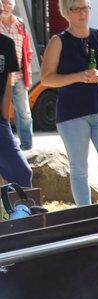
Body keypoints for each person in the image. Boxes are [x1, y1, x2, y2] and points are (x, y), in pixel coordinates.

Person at [40, 0, 98, 207]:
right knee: (79, 168)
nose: (82, 13)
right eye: (76, 9)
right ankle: (85, 213)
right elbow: (47, 78)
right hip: (72, 113)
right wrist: (80, 76)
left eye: (85, 8)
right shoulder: (58, 41)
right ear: (66, 12)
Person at [0, 0, 33, 150]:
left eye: (9, 3)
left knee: (24, 112)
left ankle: (26, 145)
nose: (6, 6)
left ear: (14, 6)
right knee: (3, 111)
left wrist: (29, 69)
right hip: (2, 76)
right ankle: (5, 144)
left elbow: (27, 49)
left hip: (18, 75)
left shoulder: (20, 24)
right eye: (4, 3)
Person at [0, 31, 31, 187]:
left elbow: (8, 82)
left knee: (22, 173)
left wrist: (4, 117)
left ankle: (20, 210)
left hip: (0, 122)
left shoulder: (6, 43)